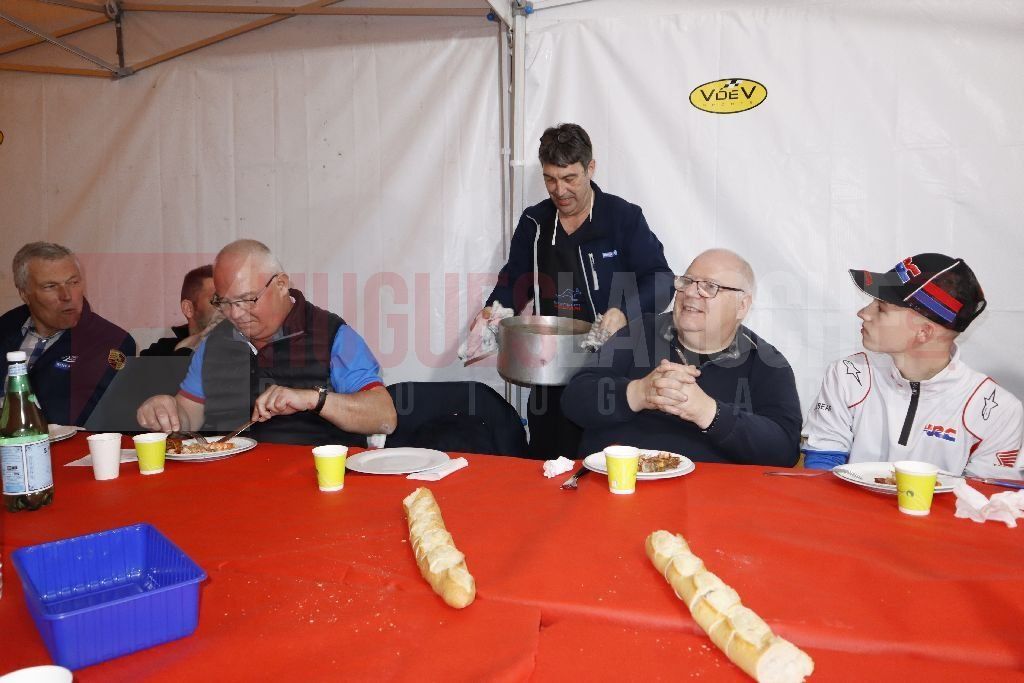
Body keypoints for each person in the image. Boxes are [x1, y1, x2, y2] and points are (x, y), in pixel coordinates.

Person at [480, 123, 674, 459]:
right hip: (550, 367)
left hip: (611, 369)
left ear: (590, 168)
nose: (560, 190)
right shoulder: (535, 222)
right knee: (544, 461)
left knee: (600, 464)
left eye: (569, 178)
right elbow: (514, 280)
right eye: (550, 179)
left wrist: (625, 312)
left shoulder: (623, 218)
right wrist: (494, 309)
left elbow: (661, 279)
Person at [137, 239, 397, 445]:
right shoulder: (215, 343)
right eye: (225, 302)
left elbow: (384, 417)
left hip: (314, 481)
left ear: (281, 284)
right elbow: (188, 415)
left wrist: (313, 399)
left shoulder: (331, 335)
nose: (235, 314)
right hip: (230, 482)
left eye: (248, 300)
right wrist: (167, 411)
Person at [561, 249, 801, 466]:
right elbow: (575, 399)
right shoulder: (639, 331)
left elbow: (784, 450)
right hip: (618, 485)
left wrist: (709, 413)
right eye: (686, 281)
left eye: (709, 286)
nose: (690, 293)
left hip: (713, 495)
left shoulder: (766, 362)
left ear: (742, 306)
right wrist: (639, 392)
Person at [802, 253, 1022, 476]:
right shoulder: (848, 373)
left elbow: (980, 495)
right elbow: (822, 469)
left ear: (924, 332)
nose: (863, 313)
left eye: (881, 308)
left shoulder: (999, 411)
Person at [0, 242, 136, 426]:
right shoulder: (6, 328)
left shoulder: (111, 342)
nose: (67, 295)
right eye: (50, 286)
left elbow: (81, 419)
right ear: (24, 293)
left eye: (73, 282)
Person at [140, 264, 221, 356]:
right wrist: (185, 349)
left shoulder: (235, 351)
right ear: (188, 309)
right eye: (217, 299)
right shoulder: (160, 354)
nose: (228, 307)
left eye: (231, 300)